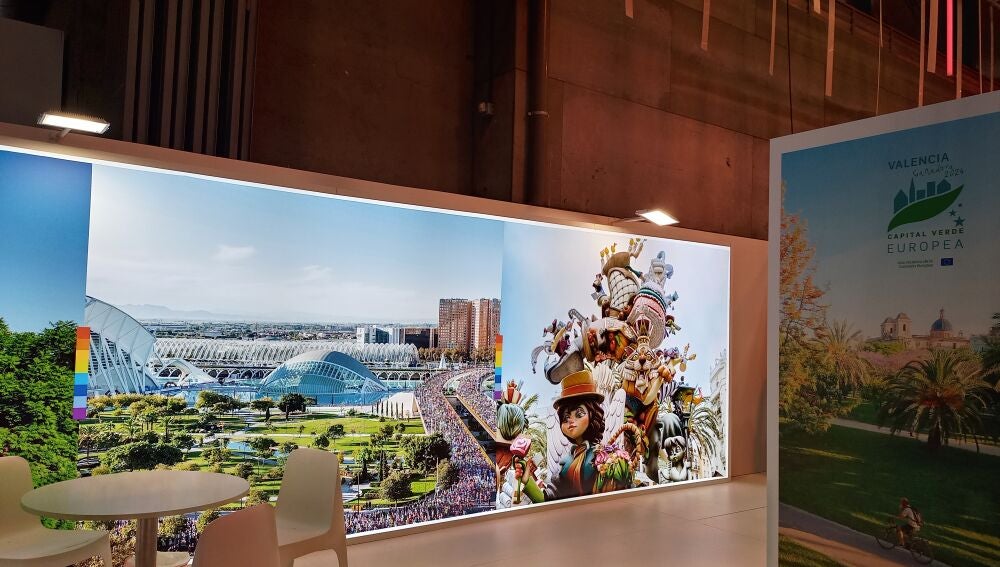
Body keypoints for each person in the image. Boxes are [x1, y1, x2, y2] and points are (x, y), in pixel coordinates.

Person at [543, 369, 606, 500]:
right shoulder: (566, 462)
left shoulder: (603, 456)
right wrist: (527, 482)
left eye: (579, 414)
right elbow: (549, 497)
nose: (571, 421)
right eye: (565, 418)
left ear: (593, 415)